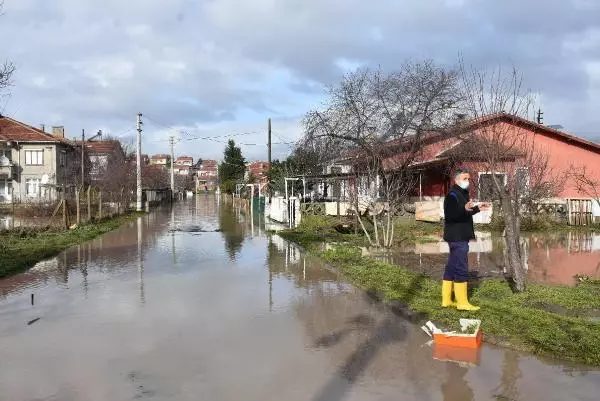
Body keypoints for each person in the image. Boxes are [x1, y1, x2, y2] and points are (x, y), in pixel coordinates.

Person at [442, 169, 490, 311]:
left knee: (451, 267)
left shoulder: (462, 194)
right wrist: (464, 208)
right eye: (465, 179)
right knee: (461, 267)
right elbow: (451, 216)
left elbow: (464, 213)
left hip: (460, 235)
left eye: (468, 179)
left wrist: (477, 209)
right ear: (456, 180)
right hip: (457, 237)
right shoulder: (452, 195)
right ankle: (462, 302)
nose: (467, 182)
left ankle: (446, 300)